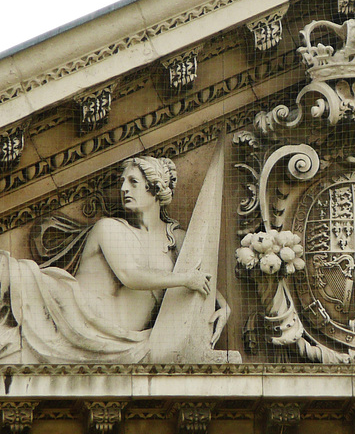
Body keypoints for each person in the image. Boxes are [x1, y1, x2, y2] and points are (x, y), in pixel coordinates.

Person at [0, 156, 217, 363]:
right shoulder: (110, 228)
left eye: (133, 182)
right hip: (71, 317)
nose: (124, 189)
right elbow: (130, 275)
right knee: (7, 271)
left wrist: (221, 306)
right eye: (122, 182)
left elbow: (203, 278)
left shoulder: (176, 238)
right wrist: (185, 279)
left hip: (120, 342)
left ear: (156, 188)